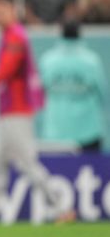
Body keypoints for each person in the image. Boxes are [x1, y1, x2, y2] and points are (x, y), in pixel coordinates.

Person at [0, 0, 75, 224]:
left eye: (1, 12)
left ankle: (62, 208)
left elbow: (5, 73)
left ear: (12, 10)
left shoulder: (16, 37)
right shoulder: (8, 36)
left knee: (28, 164)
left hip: (17, 112)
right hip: (6, 111)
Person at [40, 21, 106, 152]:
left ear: (61, 33)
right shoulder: (92, 60)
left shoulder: (47, 60)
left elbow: (41, 90)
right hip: (88, 131)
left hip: (55, 131)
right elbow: (102, 93)